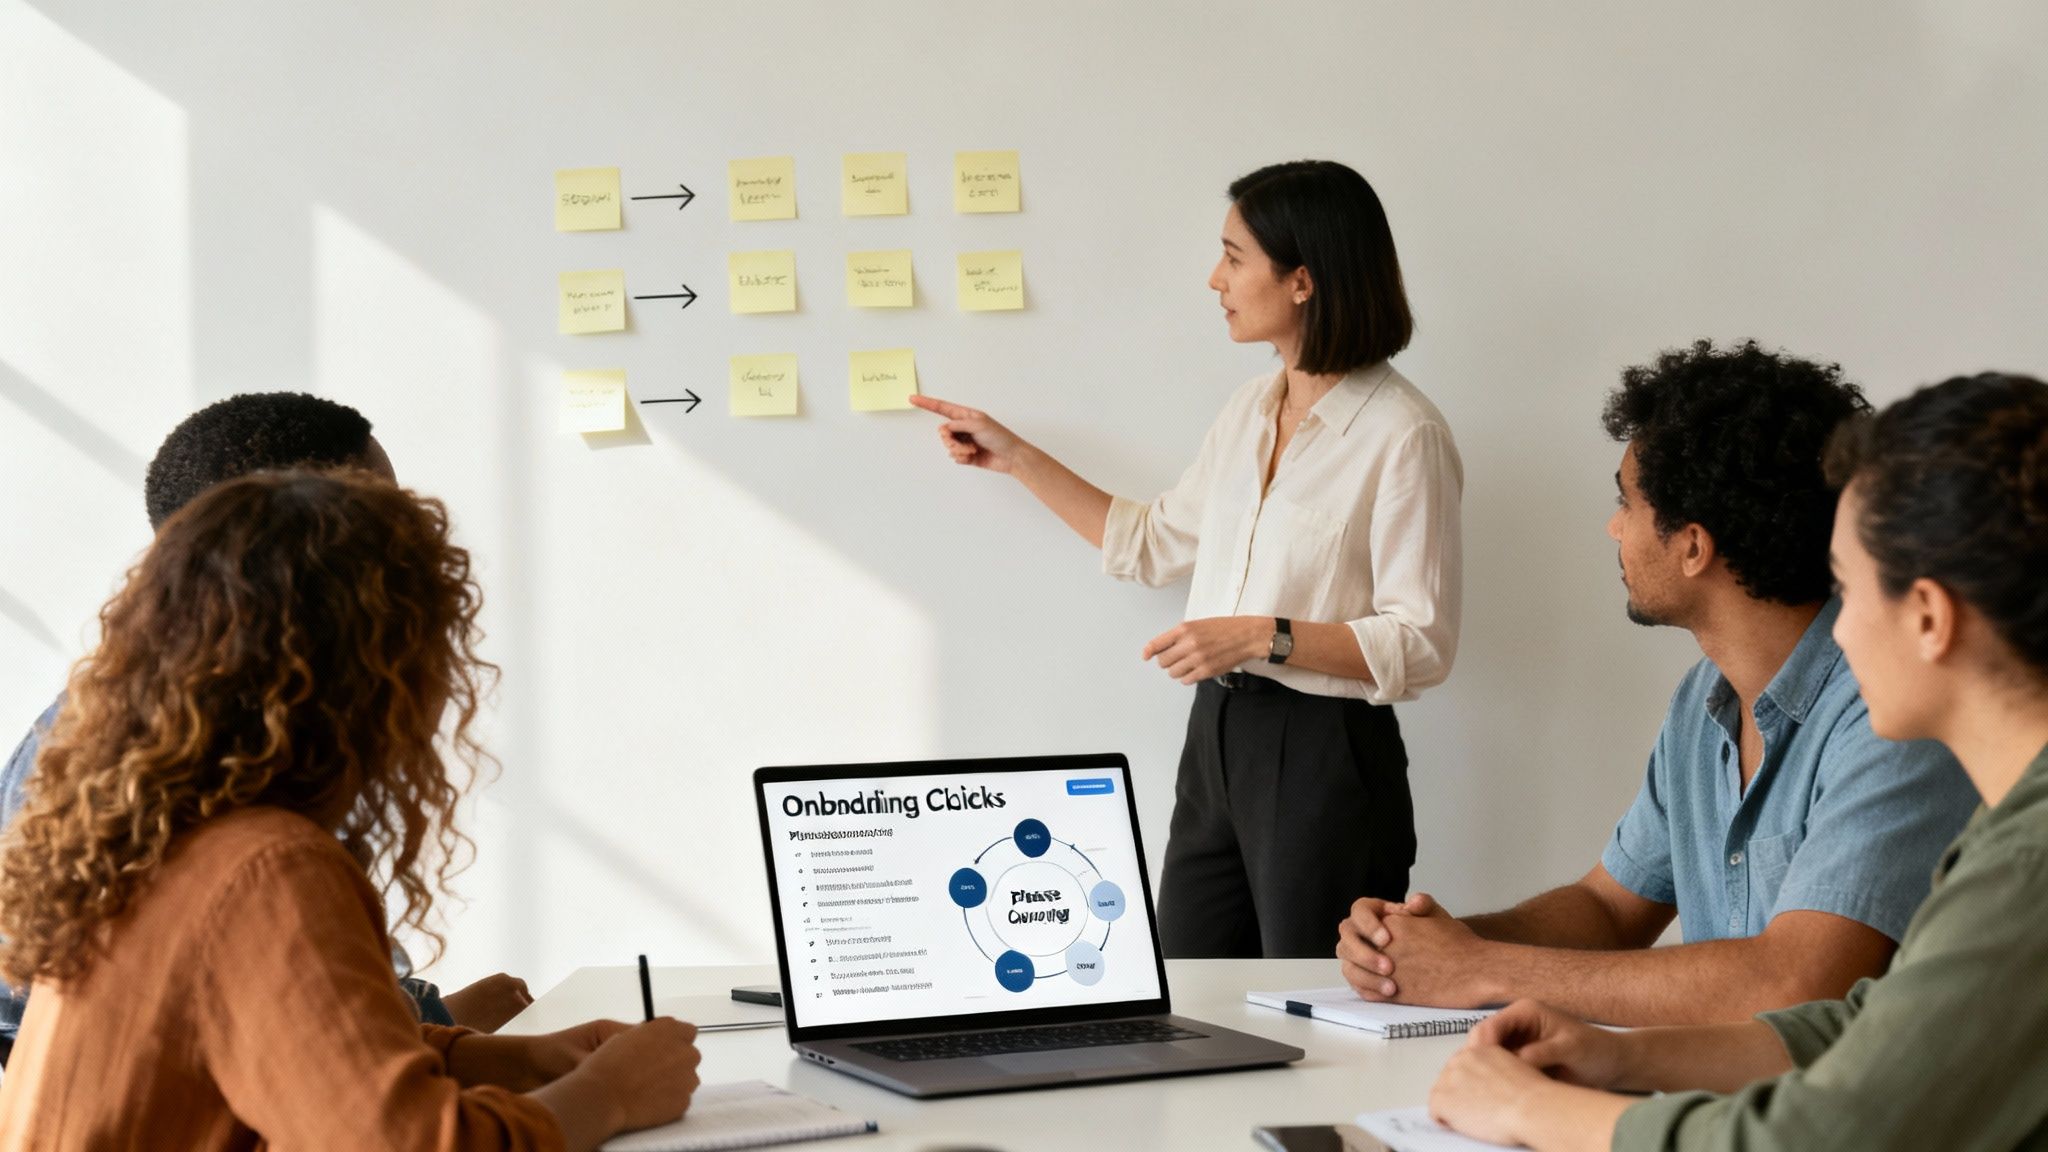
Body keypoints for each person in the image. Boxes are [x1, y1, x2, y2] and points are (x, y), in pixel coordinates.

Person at [1427, 371, 2048, 1151]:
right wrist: (1617, 1053)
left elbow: (1819, 1133)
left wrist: (1532, 1111)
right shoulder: (2010, 829)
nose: (1839, 632)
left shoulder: (2028, 857)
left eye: (1850, 592)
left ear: (1927, 617)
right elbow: (1865, 1025)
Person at [0, 470, 701, 1149]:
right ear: (381, 675)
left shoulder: (163, 833)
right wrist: (611, 1094)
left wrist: (511, 1062)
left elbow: (299, 1051)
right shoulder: (267, 865)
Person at [909, 159, 1462, 958]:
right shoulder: (1249, 409)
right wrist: (1016, 455)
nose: (1215, 278)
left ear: (1302, 279)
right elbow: (1151, 542)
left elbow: (1423, 643)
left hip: (1324, 752)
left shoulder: (1405, 434)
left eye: (1235, 257)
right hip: (1218, 735)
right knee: (1193, 986)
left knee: (1308, 1004)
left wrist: (1257, 635)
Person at [1337, 341, 1976, 1025]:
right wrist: (1431, 942)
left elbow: (1796, 983)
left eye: (1627, 502)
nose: (1614, 526)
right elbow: (1609, 910)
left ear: (1693, 546)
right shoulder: (1704, 702)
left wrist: (1478, 970)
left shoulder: (1895, 712)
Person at [0, 393, 530, 1064]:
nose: (411, 562)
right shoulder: (225, 767)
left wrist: (434, 1022)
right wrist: (603, 1087)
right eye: (382, 529)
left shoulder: (144, 716)